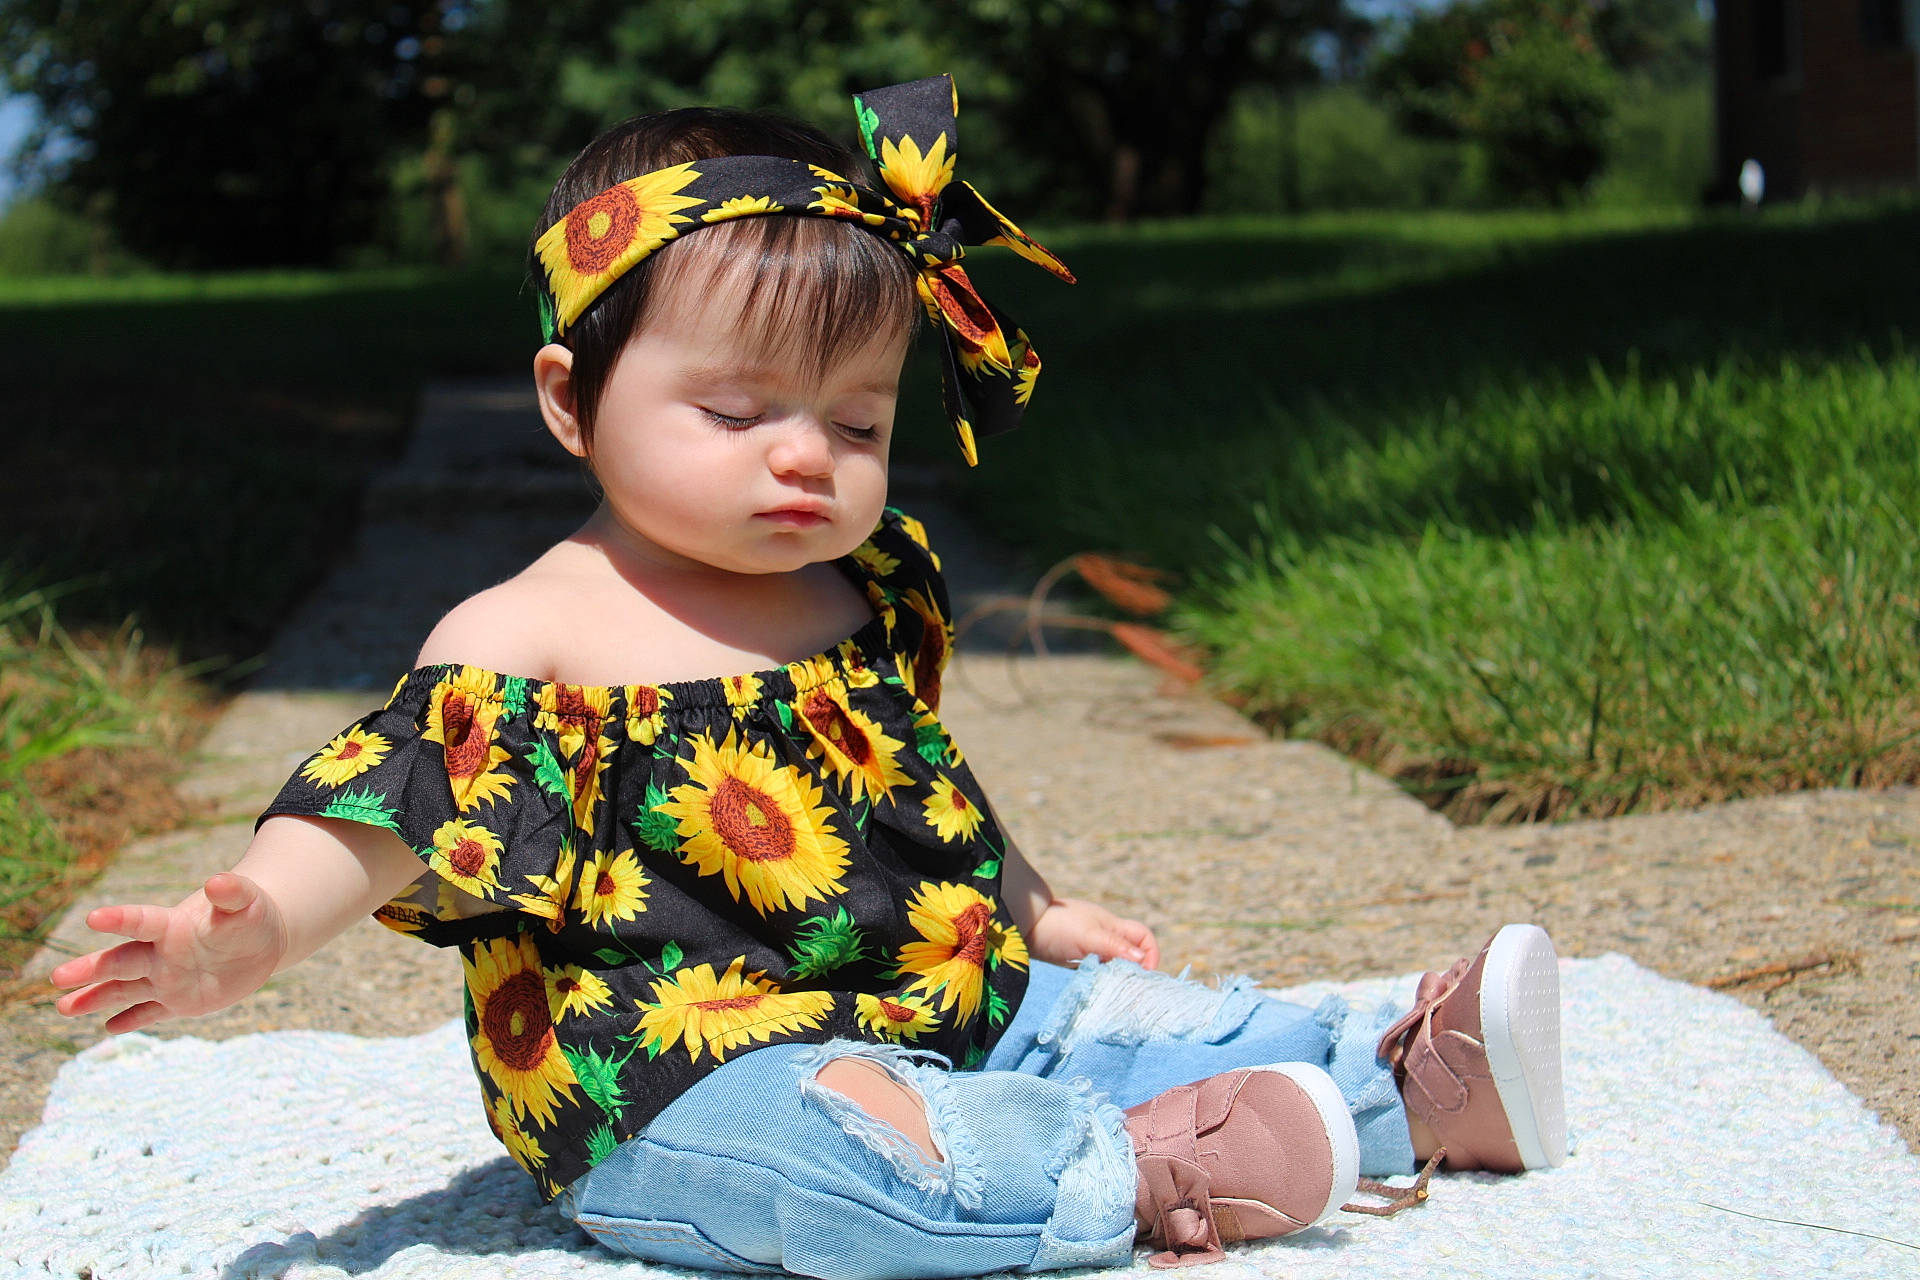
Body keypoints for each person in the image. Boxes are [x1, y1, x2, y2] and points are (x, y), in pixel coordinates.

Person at [50, 75, 1566, 1275]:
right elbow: (388, 811)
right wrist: (243, 929)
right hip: (675, 1093)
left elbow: (923, 786)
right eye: (735, 409)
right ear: (573, 402)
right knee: (849, 1176)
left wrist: (1035, 905)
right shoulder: (530, 634)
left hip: (934, 995)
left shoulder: (848, 589)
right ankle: (1142, 1170)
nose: (805, 457)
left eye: (855, 423)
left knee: (1110, 1011)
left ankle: (1401, 1068)